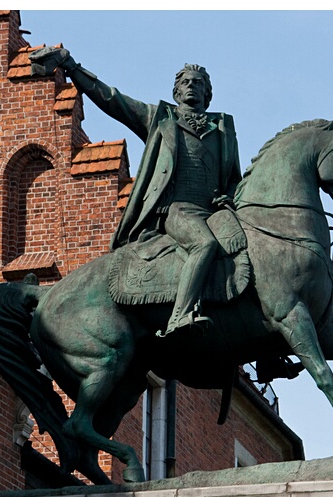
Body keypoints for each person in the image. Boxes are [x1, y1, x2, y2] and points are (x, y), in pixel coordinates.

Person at [31, 47, 242, 337]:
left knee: (258, 248)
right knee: (204, 245)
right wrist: (71, 67)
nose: (192, 86)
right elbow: (112, 100)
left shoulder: (223, 129)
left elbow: (234, 179)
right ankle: (181, 314)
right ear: (177, 92)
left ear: (208, 95)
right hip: (177, 210)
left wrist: (228, 197)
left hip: (214, 212)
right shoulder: (160, 119)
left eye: (199, 83)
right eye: (186, 82)